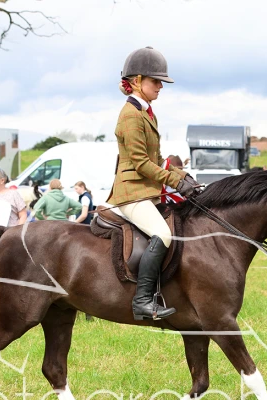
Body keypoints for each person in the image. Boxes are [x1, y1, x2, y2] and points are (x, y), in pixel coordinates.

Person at [107, 46, 198, 321]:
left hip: (146, 191)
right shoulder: (130, 114)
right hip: (131, 192)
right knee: (163, 234)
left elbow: (157, 159)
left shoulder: (146, 112)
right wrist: (174, 182)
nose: (160, 86)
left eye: (161, 82)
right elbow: (140, 163)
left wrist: (183, 177)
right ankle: (142, 301)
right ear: (137, 81)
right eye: (155, 81)